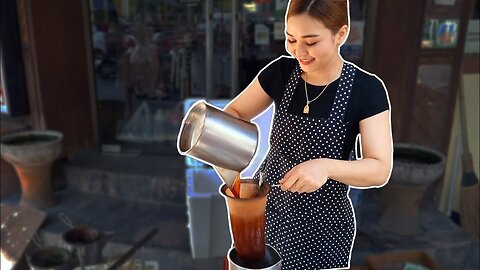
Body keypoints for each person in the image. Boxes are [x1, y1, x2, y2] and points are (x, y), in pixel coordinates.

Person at [224, 0, 393, 269]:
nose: (299, 52)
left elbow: (379, 169)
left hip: (323, 230)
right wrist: (220, 144)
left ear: (341, 34)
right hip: (270, 214)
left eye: (311, 42)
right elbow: (235, 113)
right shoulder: (281, 72)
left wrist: (324, 167)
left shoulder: (366, 89)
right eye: (291, 39)